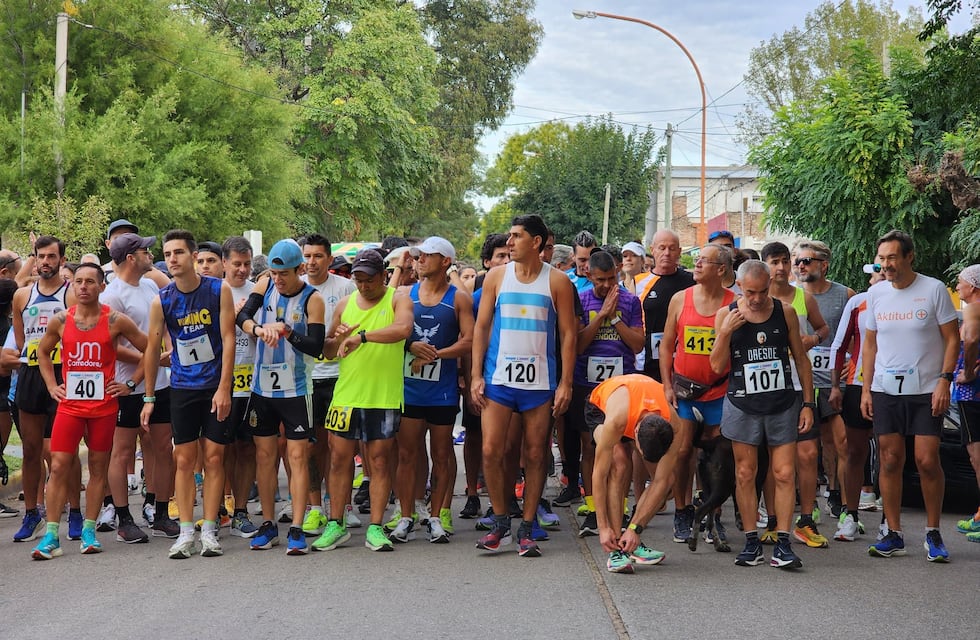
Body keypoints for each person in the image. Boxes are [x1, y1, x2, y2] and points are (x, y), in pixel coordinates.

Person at [471, 214, 577, 557]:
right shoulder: (496, 277)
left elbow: (568, 334)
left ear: (536, 242)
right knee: (491, 450)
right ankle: (501, 522)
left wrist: (565, 383)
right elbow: (481, 328)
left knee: (535, 454)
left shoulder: (557, 281)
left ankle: (528, 526)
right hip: (499, 378)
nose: (510, 242)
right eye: (510, 236)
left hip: (540, 382)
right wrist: (476, 375)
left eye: (517, 236)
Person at [31, 263, 148, 559]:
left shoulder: (115, 320)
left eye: (90, 282)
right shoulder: (61, 320)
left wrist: (131, 383)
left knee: (98, 468)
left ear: (101, 287)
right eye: (78, 281)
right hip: (70, 406)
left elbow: (150, 348)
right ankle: (51, 536)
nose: (83, 286)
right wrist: (52, 385)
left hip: (104, 407)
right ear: (73, 286)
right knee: (59, 465)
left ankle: (89, 531)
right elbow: (42, 351)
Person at [861, 230, 959, 562]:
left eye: (892, 257)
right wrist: (866, 389)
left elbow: (952, 338)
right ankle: (893, 532)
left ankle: (933, 532)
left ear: (909, 257)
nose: (886, 264)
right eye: (882, 258)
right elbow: (870, 344)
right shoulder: (876, 294)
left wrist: (944, 380)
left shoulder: (933, 289)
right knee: (890, 460)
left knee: (927, 460)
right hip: (886, 389)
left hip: (926, 389)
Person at [711, 259, 815, 569]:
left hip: (781, 404)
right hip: (742, 405)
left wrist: (808, 403)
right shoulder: (726, 315)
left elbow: (801, 359)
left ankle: (783, 543)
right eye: (750, 292)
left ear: (770, 285)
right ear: (739, 287)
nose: (757, 299)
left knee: (784, 473)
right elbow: (716, 366)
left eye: (762, 291)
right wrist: (725, 333)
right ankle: (751, 542)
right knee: (745, 473)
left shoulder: (785, 312)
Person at [141, 229, 236, 559]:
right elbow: (152, 349)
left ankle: (209, 529)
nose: (172, 259)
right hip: (182, 388)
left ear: (193, 257)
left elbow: (228, 339)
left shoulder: (218, 290)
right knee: (182, 459)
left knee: (214, 457)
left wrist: (224, 388)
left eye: (178, 252)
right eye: (167, 254)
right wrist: (149, 398)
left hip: (214, 386)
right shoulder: (162, 300)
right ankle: (185, 532)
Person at [234, 239, 325, 555]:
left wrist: (288, 332)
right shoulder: (265, 285)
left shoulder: (313, 299)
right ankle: (269, 524)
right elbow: (243, 317)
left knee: (298, 457)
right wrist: (259, 330)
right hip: (263, 388)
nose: (278, 279)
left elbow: (316, 346)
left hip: (296, 389)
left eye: (284, 273)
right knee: (264, 456)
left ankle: (297, 527)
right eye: (274, 273)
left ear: (299, 269)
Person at [321, 249, 413, 552]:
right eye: (358, 279)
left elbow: (403, 329)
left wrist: (362, 337)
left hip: (383, 396)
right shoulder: (345, 304)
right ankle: (336, 523)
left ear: (384, 275)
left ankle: (375, 526)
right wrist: (338, 338)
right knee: (338, 459)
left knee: (379, 461)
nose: (363, 285)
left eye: (369, 279)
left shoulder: (398, 299)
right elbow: (328, 351)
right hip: (346, 395)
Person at [391, 237, 473, 543]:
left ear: (446, 261)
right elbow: (391, 332)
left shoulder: (458, 299)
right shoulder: (404, 295)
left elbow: (470, 340)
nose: (420, 260)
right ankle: (406, 515)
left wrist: (437, 354)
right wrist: (410, 345)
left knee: (441, 454)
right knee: (406, 454)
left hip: (442, 391)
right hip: (409, 389)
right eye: (418, 256)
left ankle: (437, 516)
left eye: (428, 255)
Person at [99, 233, 179, 543]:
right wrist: (151, 359)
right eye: (146, 251)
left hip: (159, 383)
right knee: (121, 452)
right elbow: (113, 347)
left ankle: (160, 513)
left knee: (163, 448)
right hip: (125, 386)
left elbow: (163, 327)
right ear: (131, 258)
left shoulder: (149, 286)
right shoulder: (112, 296)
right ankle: (123, 519)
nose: (151, 255)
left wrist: (164, 353)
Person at [660, 243, 736, 544]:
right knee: (682, 452)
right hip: (685, 390)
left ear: (721, 269)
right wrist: (666, 385)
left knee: (717, 456)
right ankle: (682, 511)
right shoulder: (681, 299)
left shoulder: (734, 303)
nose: (697, 264)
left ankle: (711, 514)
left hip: (720, 391)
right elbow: (667, 344)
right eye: (697, 260)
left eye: (704, 261)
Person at [566, 249, 644, 537]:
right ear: (589, 275)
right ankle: (593, 508)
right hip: (588, 386)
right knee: (591, 448)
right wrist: (600, 316)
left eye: (612, 278)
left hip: (621, 388)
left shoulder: (630, 301)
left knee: (621, 453)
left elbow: (638, 344)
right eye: (600, 280)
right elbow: (577, 345)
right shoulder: (581, 300)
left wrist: (615, 319)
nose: (607, 285)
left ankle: (619, 509)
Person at [761, 240, 829, 547]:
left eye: (785, 261)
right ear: (764, 266)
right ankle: (773, 520)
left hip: (801, 385)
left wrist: (812, 339)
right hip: (768, 387)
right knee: (771, 458)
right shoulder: (756, 299)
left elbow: (823, 329)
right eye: (774, 262)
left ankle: (806, 519)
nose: (781, 267)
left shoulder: (803, 297)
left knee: (808, 454)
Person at [11, 235, 78, 543]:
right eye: (41, 256)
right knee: (30, 449)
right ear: (35, 259)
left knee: (63, 450)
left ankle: (75, 511)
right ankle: (31, 514)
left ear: (62, 260)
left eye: (52, 256)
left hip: (64, 373)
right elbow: (21, 340)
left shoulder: (71, 294)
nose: (46, 262)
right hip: (31, 372)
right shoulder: (22, 296)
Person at [297, 235, 356, 539]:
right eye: (307, 256)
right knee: (311, 447)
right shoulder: (294, 289)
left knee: (339, 447)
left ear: (330, 260)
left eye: (318, 256)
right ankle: (315, 508)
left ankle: (342, 506)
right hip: (306, 379)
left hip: (339, 378)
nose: (312, 262)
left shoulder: (346, 288)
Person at [639, 229, 695, 540]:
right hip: (648, 367)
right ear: (652, 250)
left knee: (684, 442)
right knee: (647, 433)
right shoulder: (640, 283)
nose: (667, 253)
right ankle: (650, 491)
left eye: (673, 248)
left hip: (684, 370)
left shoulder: (691, 282)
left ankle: (683, 501)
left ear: (680, 252)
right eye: (661, 247)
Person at [794, 240, 855, 527]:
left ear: (824, 265)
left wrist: (853, 362)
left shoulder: (845, 295)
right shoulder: (791, 294)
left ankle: (836, 495)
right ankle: (810, 502)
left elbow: (857, 335)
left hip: (834, 381)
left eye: (807, 261)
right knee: (807, 448)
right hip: (801, 380)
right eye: (798, 261)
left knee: (839, 442)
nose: (801, 266)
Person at [589, 374, 675, 573]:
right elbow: (599, 476)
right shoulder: (616, 422)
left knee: (668, 479)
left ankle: (630, 539)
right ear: (635, 434)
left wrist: (635, 528)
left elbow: (662, 480)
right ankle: (617, 547)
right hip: (602, 406)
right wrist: (603, 528)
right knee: (620, 464)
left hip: (640, 407)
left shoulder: (674, 423)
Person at [829, 263, 885, 542]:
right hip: (856, 383)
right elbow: (839, 345)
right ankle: (850, 515)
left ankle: (889, 521)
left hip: (893, 387)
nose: (882, 275)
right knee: (854, 451)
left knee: (890, 453)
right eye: (877, 271)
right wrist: (835, 386)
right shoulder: (858, 302)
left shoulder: (908, 301)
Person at [221, 236, 260, 539]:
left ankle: (242, 511)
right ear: (224, 263)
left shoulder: (257, 292)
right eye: (237, 264)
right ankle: (219, 508)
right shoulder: (214, 292)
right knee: (220, 450)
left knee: (247, 448)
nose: (243, 270)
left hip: (252, 384)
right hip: (222, 383)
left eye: (247, 264)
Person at [952, 264, 980, 541]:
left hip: (972, 392)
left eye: (961, 282)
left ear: (973, 286)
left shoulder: (973, 308)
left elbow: (970, 339)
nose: (958, 287)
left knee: (977, 455)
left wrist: (969, 371)